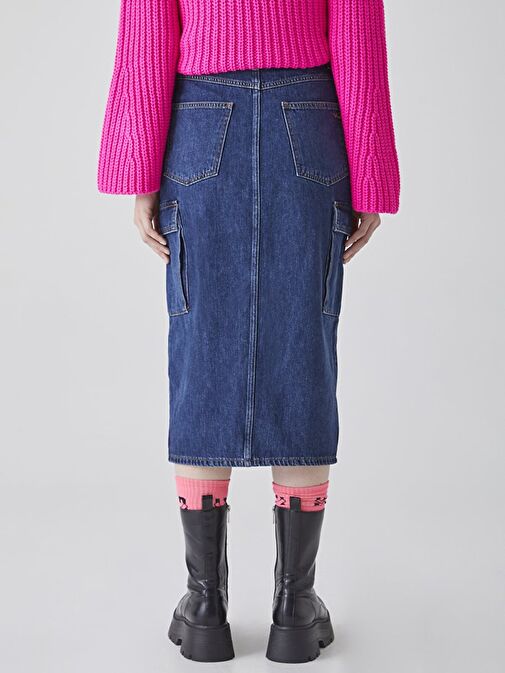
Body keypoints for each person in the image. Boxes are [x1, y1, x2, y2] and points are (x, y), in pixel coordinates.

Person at [97, 0, 400, 664]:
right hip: (309, 122)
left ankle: (205, 604)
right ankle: (295, 607)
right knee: (303, 353)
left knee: (201, 355)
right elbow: (357, 35)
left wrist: (139, 174)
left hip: (201, 125)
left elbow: (149, 34)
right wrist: (371, 178)